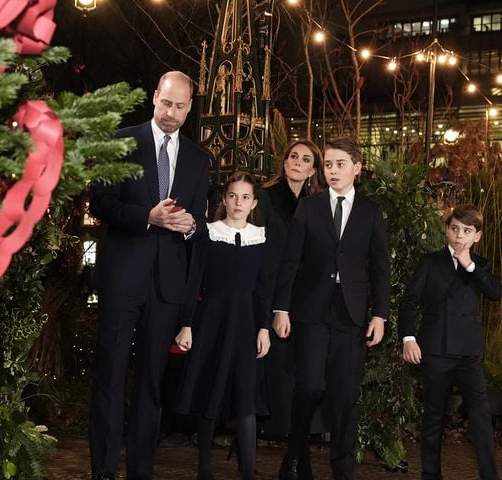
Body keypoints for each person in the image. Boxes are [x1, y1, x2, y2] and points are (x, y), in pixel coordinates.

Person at [88, 70, 210, 480]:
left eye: (180, 106)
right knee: (109, 376)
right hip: (122, 281)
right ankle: (103, 471)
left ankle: (141, 471)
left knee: (151, 385)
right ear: (154, 97)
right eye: (166, 103)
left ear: (190, 107)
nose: (171, 112)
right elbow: (100, 203)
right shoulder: (120, 141)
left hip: (166, 287)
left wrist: (190, 226)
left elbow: (198, 226)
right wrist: (148, 217)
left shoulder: (198, 158)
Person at [272, 136, 390, 480]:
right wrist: (281, 308)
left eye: (340, 164)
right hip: (311, 311)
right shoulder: (309, 207)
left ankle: (343, 471)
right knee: (310, 387)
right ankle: (294, 455)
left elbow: (380, 267)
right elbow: (291, 260)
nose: (333, 170)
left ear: (357, 168)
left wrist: (380, 315)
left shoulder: (370, 212)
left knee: (345, 397)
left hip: (351, 315)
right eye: (328, 165)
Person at [174, 171, 271, 480]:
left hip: (246, 325)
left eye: (245, 197)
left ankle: (249, 472)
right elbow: (194, 281)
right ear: (224, 200)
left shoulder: (261, 237)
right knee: (210, 390)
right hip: (212, 323)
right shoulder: (209, 233)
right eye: (233, 196)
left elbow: (263, 289)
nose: (238, 202)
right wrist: (186, 324)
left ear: (253, 202)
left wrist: (264, 328)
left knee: (246, 396)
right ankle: (204, 467)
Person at [398, 204, 502, 480]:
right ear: (446, 230)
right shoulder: (430, 262)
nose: (459, 236)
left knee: (480, 416)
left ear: (476, 236)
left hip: (469, 354)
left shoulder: (480, 266)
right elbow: (408, 302)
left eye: (466, 231)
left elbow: (495, 293)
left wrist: (469, 264)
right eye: (454, 228)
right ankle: (431, 475)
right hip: (436, 351)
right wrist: (408, 338)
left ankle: (490, 475)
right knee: (433, 416)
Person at [257, 140, 325, 445]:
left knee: (302, 363)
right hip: (271, 287)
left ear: (313, 169)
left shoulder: (317, 204)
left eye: (305, 159)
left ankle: (301, 428)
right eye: (293, 156)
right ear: (284, 162)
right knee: (274, 360)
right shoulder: (265, 197)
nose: (297, 162)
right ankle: (271, 424)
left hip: (306, 296)